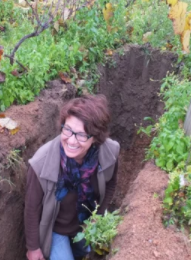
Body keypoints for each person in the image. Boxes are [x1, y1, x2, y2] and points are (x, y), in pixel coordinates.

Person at [24, 95, 120, 260]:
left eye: (81, 135)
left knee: (85, 252)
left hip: (86, 224)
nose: (71, 140)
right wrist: (33, 248)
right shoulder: (41, 164)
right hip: (56, 230)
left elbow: (110, 183)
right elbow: (31, 209)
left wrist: (99, 215)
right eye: (67, 129)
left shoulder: (108, 152)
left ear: (95, 138)